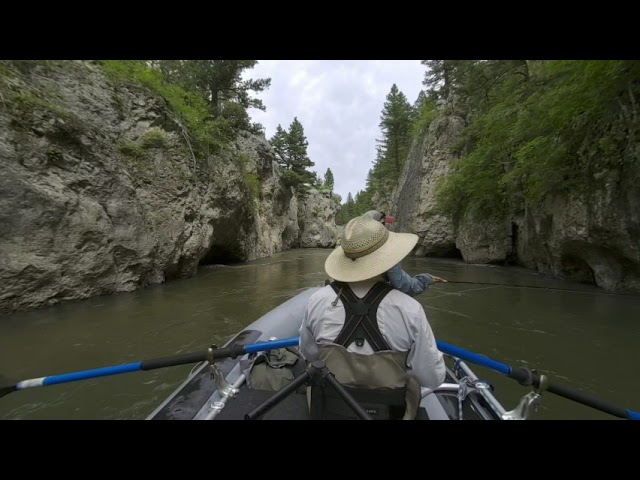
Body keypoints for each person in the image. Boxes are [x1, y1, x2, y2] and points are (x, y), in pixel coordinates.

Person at [299, 215, 446, 420]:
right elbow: (432, 378)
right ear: (388, 258)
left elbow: (309, 354)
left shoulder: (317, 301)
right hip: (390, 413)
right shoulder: (410, 309)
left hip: (330, 411)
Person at [362, 210, 448, 297]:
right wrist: (427, 279)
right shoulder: (387, 253)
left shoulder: (352, 252)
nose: (387, 227)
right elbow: (406, 287)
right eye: (384, 224)